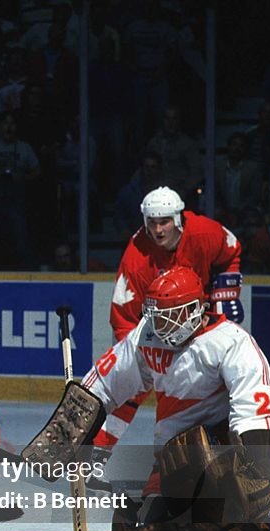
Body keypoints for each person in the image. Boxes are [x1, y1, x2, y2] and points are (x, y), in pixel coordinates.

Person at [77, 266, 270, 531]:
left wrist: (259, 463)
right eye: (155, 316)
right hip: (171, 457)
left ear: (194, 310)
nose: (158, 325)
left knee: (200, 469)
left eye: (167, 317)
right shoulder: (147, 336)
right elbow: (109, 380)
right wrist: (74, 424)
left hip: (218, 454)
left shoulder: (231, 342)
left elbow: (254, 401)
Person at [96, 186, 242, 466]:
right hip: (156, 331)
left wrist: (227, 291)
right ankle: (96, 455)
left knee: (222, 388)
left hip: (201, 324)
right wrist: (139, 362)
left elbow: (232, 252)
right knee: (130, 391)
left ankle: (228, 457)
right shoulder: (136, 256)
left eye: (164, 222)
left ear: (178, 219)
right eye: (152, 223)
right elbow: (124, 315)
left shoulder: (204, 232)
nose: (158, 230)